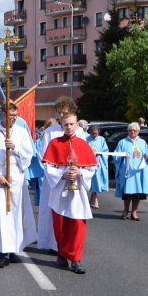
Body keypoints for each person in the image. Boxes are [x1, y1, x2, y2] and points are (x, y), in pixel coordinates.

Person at [0, 103, 37, 268]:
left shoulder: (21, 132)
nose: (13, 118)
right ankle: (3, 252)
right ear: (2, 115)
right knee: (1, 215)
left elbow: (28, 155)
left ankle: (14, 249)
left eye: (15, 115)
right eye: (10, 115)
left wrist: (15, 148)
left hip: (16, 178)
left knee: (15, 214)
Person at [43, 113, 97, 274]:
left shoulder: (83, 144)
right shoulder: (54, 143)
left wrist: (79, 173)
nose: (69, 127)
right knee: (60, 225)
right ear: (61, 125)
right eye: (66, 125)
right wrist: (63, 174)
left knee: (78, 225)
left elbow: (91, 167)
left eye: (72, 124)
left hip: (78, 191)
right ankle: (62, 252)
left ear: (77, 125)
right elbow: (48, 167)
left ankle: (76, 259)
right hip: (60, 190)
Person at [37, 97, 86, 252]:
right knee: (54, 213)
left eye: (64, 112)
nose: (61, 116)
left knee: (71, 214)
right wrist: (59, 173)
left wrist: (76, 171)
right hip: (55, 179)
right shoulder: (51, 132)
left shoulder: (78, 131)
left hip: (73, 178)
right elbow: (42, 156)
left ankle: (70, 246)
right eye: (59, 113)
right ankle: (53, 244)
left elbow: (84, 154)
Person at [114, 122, 148, 221]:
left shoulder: (142, 142)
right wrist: (121, 156)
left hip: (139, 172)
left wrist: (147, 157)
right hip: (128, 172)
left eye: (135, 131)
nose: (132, 132)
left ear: (138, 132)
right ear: (128, 131)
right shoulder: (122, 142)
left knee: (137, 194)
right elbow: (116, 155)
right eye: (130, 130)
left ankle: (134, 212)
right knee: (127, 193)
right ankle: (125, 211)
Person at [87, 125, 109, 209]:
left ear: (98, 132)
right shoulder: (87, 139)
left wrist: (100, 153)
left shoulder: (102, 139)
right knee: (90, 181)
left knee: (96, 180)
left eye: (95, 133)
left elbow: (105, 151)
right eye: (92, 133)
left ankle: (94, 198)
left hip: (98, 163)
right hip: (88, 163)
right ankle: (91, 197)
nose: (94, 135)